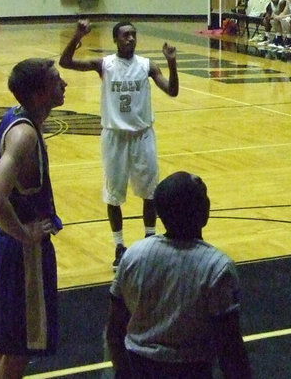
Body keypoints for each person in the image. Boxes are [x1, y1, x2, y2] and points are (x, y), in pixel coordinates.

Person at [107, 172, 252, 378]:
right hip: (190, 370)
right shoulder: (217, 268)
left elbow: (114, 330)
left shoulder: (133, 255)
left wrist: (123, 372)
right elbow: (230, 350)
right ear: (205, 212)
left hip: (137, 367)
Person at [59, 20, 179, 269]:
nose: (130, 38)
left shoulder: (147, 65)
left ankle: (150, 240)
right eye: (125, 35)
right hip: (114, 136)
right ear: (115, 39)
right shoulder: (105, 64)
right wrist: (77, 35)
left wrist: (171, 63)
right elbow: (65, 62)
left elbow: (172, 91)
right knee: (114, 195)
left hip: (142, 135)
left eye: (133, 34)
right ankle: (119, 245)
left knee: (150, 192)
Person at [0, 58, 67, 378]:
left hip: (6, 244)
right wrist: (24, 233)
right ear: (39, 93)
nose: (64, 84)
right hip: (23, 253)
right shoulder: (24, 136)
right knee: (20, 350)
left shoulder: (15, 117)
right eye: (56, 80)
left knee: (8, 344)